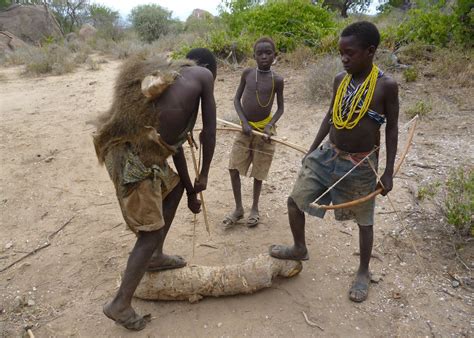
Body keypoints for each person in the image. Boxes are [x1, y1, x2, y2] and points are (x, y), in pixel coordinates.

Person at [270, 21, 399, 303]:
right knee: (295, 200)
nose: (344, 58)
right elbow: (330, 116)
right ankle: (299, 247)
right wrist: (312, 148)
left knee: (364, 220)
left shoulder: (386, 86)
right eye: (341, 53)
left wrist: (388, 172)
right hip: (328, 153)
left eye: (349, 53)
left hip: (361, 164)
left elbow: (391, 129)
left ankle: (363, 271)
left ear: (370, 51)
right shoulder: (340, 79)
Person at [93, 48, 217, 330]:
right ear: (212, 69)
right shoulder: (204, 76)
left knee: (172, 191)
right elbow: (208, 133)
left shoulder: (172, 80)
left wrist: (189, 190)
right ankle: (120, 304)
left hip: (138, 152)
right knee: (149, 233)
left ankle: (156, 256)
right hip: (135, 161)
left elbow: (174, 148)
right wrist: (205, 176)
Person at [223, 37, 285, 229]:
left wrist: (269, 126)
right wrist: (243, 122)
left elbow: (280, 108)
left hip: (264, 132)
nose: (264, 57)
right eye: (260, 53)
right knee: (233, 168)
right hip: (246, 129)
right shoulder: (248, 73)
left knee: (259, 171)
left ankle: (255, 208)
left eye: (268, 53)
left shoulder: (278, 80)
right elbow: (236, 100)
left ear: (275, 56)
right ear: (254, 55)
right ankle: (239, 208)